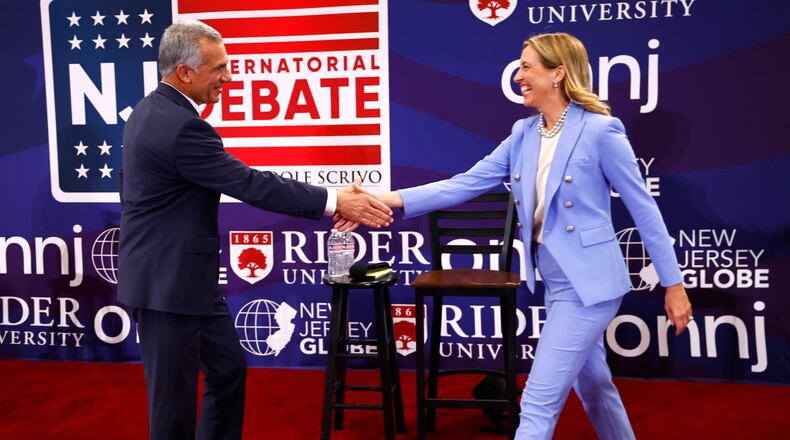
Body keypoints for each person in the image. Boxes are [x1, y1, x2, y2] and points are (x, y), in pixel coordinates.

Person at [339, 32, 693, 439]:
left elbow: (644, 209)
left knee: (537, 405)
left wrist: (673, 284)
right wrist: (379, 199)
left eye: (527, 67)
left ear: (557, 73)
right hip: (556, 281)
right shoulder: (524, 133)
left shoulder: (600, 131)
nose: (518, 75)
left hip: (592, 284)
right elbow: (463, 183)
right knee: (595, 387)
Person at [117, 20, 392, 440]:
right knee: (173, 409)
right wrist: (335, 200)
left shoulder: (152, 111)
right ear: (184, 72)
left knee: (228, 370)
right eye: (218, 68)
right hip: (165, 285)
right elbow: (249, 183)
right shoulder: (178, 126)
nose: (228, 77)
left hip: (187, 280)